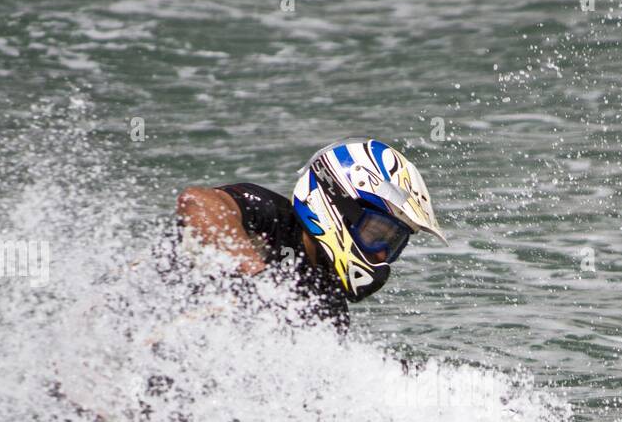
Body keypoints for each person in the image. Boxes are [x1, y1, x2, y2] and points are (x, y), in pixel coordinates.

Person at [172, 138, 446, 329]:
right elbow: (196, 201)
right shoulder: (271, 218)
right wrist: (256, 277)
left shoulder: (328, 305)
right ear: (337, 204)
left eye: (395, 243)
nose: (384, 252)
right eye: (378, 233)